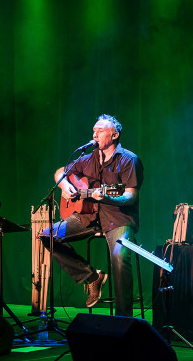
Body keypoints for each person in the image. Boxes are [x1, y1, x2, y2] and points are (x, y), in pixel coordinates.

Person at [41, 114, 143, 316]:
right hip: (88, 216)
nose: (94, 134)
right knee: (47, 235)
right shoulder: (87, 158)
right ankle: (91, 277)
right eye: (94, 130)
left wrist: (106, 198)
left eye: (100, 130)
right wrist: (65, 186)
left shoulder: (129, 160)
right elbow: (60, 172)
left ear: (114, 135)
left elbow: (129, 197)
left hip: (118, 219)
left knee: (119, 257)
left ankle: (124, 320)